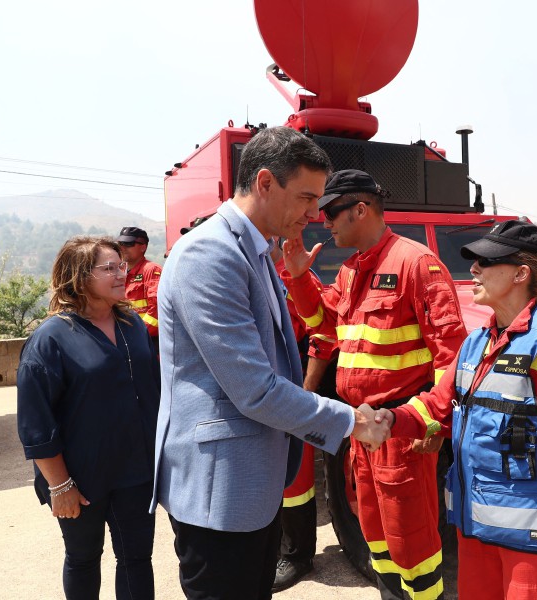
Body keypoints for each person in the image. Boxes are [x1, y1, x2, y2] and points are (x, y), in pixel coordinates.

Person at [151, 126, 390, 600]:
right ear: (264, 182)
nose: (313, 213)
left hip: (253, 483)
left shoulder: (256, 249)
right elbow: (255, 389)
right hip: (220, 492)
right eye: (305, 197)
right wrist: (350, 422)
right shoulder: (210, 255)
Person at [375, 220, 537, 600]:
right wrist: (388, 420)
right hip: (475, 535)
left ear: (521, 274)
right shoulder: (474, 345)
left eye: (486, 262)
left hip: (533, 546)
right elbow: (436, 406)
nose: (473, 269)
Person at [281, 169, 467, 600]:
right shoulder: (349, 272)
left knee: (413, 545)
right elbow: (324, 325)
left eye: (330, 211)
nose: (323, 221)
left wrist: (436, 427)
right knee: (377, 540)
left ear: (360, 210)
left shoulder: (417, 263)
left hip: (401, 431)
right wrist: (299, 277)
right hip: (362, 432)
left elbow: (451, 358)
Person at [16, 236, 161, 599]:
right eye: (108, 268)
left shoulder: (133, 327)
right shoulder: (51, 339)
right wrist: (60, 484)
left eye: (121, 265)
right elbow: (36, 423)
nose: (120, 274)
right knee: (83, 560)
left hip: (136, 473)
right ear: (79, 278)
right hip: (79, 479)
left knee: (136, 559)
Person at [269, 237, 336, 591]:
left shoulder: (292, 277)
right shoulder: (244, 272)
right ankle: (273, 548)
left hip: (291, 385)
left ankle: (297, 556)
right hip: (255, 387)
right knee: (268, 475)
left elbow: (323, 334)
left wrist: (306, 390)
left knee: (295, 479)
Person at [116, 226, 161, 352]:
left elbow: (157, 310)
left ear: (143, 247)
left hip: (148, 342)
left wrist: (139, 333)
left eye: (128, 243)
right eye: (120, 243)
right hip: (127, 340)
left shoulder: (151, 270)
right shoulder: (120, 272)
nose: (123, 248)